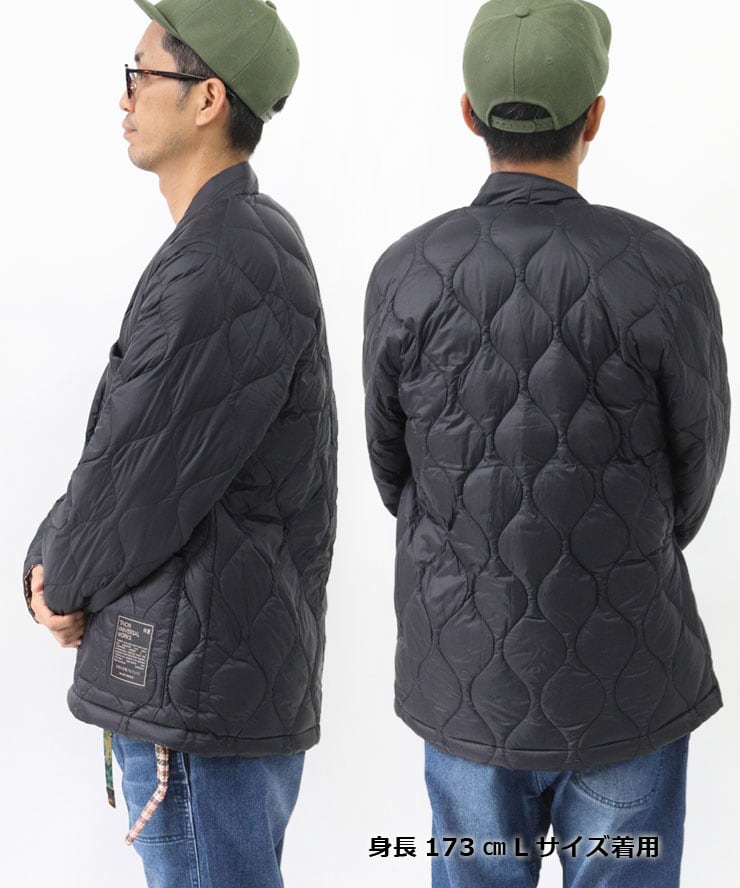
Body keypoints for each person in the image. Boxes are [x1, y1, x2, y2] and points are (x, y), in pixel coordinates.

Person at [363, 1, 730, 885]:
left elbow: (391, 469)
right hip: (628, 677)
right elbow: (697, 471)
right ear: (594, 117)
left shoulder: (405, 274)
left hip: (467, 681)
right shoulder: (667, 272)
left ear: (469, 113)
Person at [22, 1, 336, 885]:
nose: (124, 97)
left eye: (141, 74)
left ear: (207, 99)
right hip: (209, 680)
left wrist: (54, 580)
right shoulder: (234, 244)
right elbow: (137, 447)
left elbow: (137, 475)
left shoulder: (226, 262)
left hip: (196, 694)